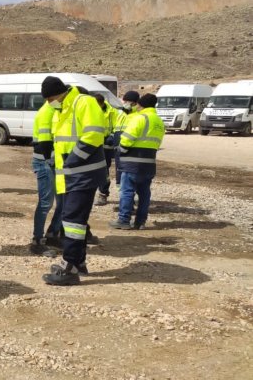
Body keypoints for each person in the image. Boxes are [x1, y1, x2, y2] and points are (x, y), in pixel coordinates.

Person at [40, 76, 106, 286]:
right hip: (71, 175)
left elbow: (94, 134)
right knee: (73, 220)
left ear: (57, 94)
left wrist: (73, 159)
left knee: (73, 221)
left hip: (82, 173)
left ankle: (70, 267)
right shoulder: (63, 109)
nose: (49, 103)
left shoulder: (83, 102)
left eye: (50, 98)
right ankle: (78, 262)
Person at [110, 93, 165, 230]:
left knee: (127, 191)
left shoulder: (140, 118)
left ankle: (124, 220)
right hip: (149, 162)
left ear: (141, 104)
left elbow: (128, 138)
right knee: (145, 193)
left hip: (132, 162)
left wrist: (120, 150)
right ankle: (140, 222)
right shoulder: (159, 121)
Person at [29, 94, 62, 257]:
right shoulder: (46, 112)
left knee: (62, 201)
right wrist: (50, 159)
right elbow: (44, 143)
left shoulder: (56, 110)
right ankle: (37, 241)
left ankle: (53, 234)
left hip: (55, 162)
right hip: (45, 162)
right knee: (46, 203)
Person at [94, 94, 118, 206]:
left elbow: (117, 127)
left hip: (106, 146)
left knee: (104, 171)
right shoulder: (90, 110)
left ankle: (103, 194)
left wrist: (112, 136)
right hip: (93, 144)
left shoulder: (112, 112)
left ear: (102, 103)